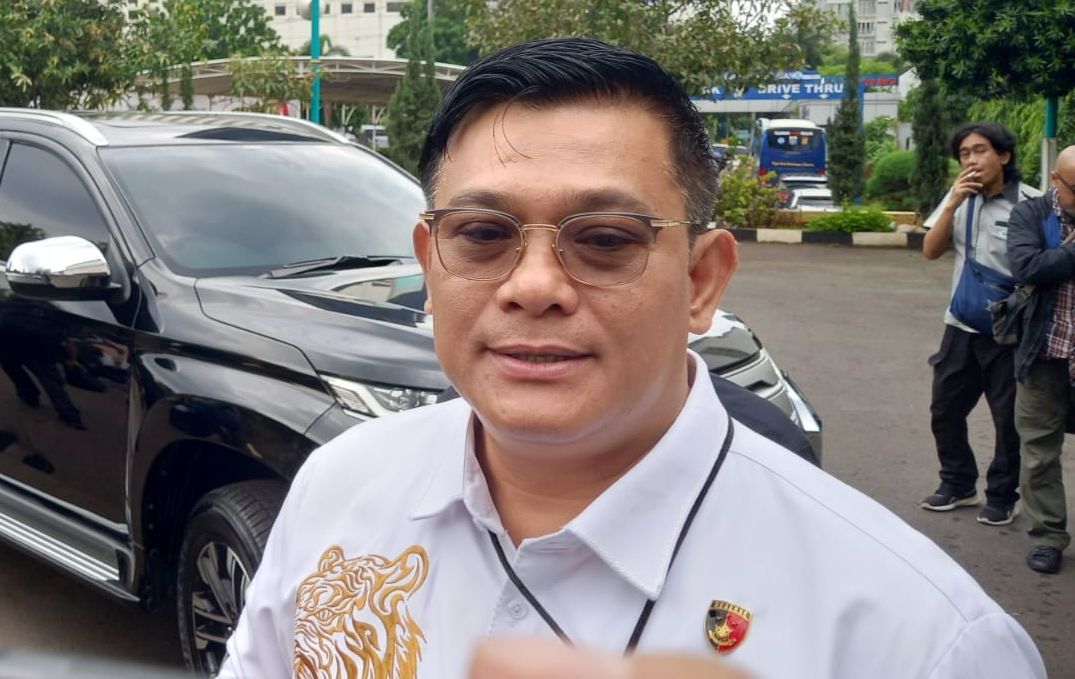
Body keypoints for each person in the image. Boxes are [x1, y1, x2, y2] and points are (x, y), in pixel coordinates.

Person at [218, 39, 1045, 678]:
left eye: (606, 239)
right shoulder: (340, 486)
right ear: (430, 264)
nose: (533, 286)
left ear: (700, 279)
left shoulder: (919, 638)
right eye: (482, 233)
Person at [919, 122, 1040, 524]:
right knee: (945, 408)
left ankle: (1003, 495)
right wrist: (952, 202)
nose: (971, 160)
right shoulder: (957, 199)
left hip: (1009, 330)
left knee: (1008, 419)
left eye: (980, 150)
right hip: (960, 324)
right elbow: (930, 251)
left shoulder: (1031, 204)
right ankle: (958, 483)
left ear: (1003, 156)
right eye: (964, 154)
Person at [1006, 144, 1075, 574]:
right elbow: (1028, 267)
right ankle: (1048, 536)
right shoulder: (1030, 215)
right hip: (1045, 352)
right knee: (1039, 452)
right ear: (1055, 180)